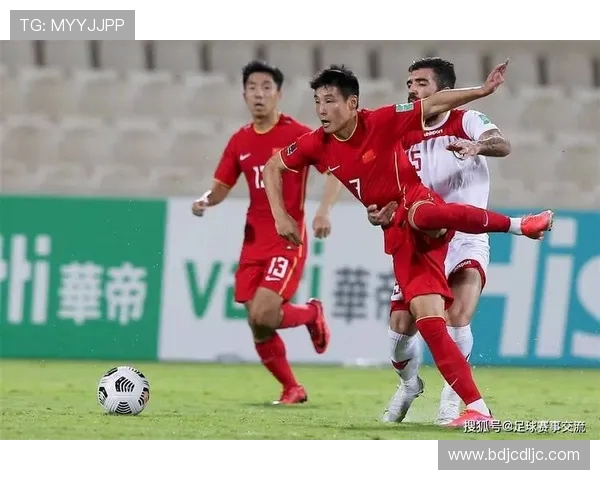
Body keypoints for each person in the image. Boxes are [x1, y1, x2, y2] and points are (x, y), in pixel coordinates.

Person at [262, 61, 553, 427]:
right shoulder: (323, 143)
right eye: (317, 102)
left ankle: (518, 226)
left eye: (330, 100)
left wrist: (482, 93)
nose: (321, 109)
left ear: (352, 103)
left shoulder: (403, 120)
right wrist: (282, 216)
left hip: (447, 223)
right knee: (410, 328)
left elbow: (450, 113)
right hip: (401, 233)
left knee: (449, 298)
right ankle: (417, 386)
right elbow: (275, 166)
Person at [367, 57, 512, 425]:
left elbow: (502, 144)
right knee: (400, 331)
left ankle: (453, 398)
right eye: (409, 84)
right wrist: (379, 212)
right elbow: (385, 188)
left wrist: (476, 147)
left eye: (421, 83)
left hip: (466, 236)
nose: (412, 90)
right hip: (420, 242)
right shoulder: (401, 133)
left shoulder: (467, 120)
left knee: (457, 318)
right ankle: (409, 385)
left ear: (444, 91)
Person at [192, 60, 342, 405]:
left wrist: (324, 210)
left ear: (279, 94)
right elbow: (221, 186)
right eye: (252, 88)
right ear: (244, 94)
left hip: (286, 238)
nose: (258, 94)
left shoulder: (298, 134)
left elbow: (334, 169)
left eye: (266, 88)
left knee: (264, 312)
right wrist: (205, 200)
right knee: (258, 323)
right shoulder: (240, 140)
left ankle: (312, 313)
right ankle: (292, 388)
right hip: (253, 241)